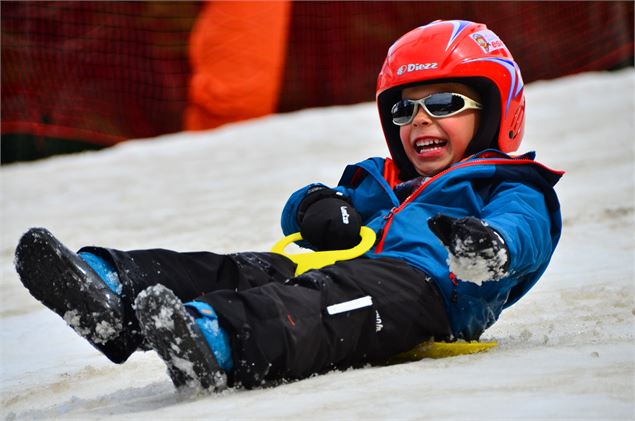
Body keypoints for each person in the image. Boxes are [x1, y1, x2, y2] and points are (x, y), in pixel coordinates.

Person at [14, 20, 563, 392]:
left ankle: (217, 336)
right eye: (405, 111)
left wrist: (488, 248)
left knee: (321, 304)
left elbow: (522, 229)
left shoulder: (512, 185)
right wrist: (315, 208)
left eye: (443, 103)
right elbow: (309, 207)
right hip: (329, 263)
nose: (420, 120)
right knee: (240, 268)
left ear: (495, 111)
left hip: (422, 290)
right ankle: (111, 290)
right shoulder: (383, 178)